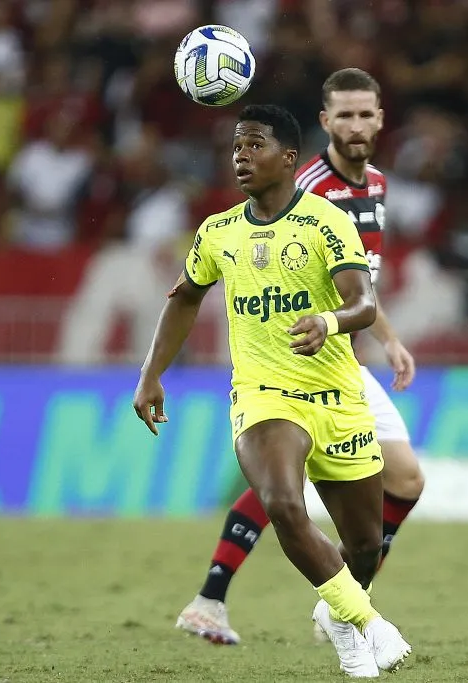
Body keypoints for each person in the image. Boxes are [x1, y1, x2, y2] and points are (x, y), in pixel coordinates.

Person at [133, 104, 411, 677]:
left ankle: (341, 613)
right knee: (284, 504)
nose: (240, 157)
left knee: (364, 546)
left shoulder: (326, 223)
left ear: (288, 158)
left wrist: (328, 323)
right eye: (235, 148)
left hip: (338, 394)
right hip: (265, 394)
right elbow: (184, 298)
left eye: (253, 145)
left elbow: (364, 302)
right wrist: (150, 374)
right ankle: (369, 625)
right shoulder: (218, 232)